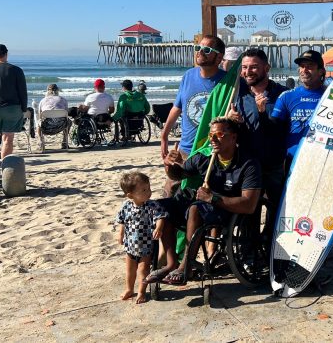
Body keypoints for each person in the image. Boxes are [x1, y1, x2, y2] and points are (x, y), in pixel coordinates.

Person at [156, 118, 262, 286]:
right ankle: (171, 263)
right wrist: (169, 165)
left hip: (226, 210)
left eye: (219, 134)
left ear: (233, 137)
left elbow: (249, 205)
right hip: (201, 204)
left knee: (195, 209)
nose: (213, 139)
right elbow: (179, 174)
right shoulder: (204, 158)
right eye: (211, 134)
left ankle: (186, 266)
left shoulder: (248, 164)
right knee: (161, 206)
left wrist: (212, 198)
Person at [227, 48, 287, 244]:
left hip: (273, 163)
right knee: (249, 212)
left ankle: (271, 247)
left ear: (267, 68)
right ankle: (249, 250)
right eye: (244, 67)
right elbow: (236, 131)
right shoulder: (238, 93)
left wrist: (262, 113)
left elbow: (280, 131)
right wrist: (231, 120)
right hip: (248, 164)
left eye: (254, 67)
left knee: (276, 209)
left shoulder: (281, 94)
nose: (248, 71)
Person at [159, 35, 226, 162]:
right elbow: (177, 108)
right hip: (186, 149)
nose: (200, 52)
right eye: (198, 48)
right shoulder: (188, 75)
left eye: (206, 50)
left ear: (219, 57)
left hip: (212, 152)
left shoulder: (227, 82)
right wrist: (164, 135)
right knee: (172, 182)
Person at [115, 171, 167, 304]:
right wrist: (120, 234)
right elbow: (122, 221)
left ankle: (142, 291)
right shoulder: (126, 206)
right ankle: (129, 289)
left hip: (146, 245)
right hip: (130, 244)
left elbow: (160, 216)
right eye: (144, 190)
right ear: (130, 195)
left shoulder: (152, 205)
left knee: (143, 270)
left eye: (149, 188)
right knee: (130, 270)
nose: (148, 192)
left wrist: (159, 228)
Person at [271, 50, 327, 169]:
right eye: (302, 66)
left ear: (321, 71)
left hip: (323, 159)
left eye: (310, 66)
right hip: (293, 159)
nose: (304, 70)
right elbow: (272, 128)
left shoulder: (332, 97)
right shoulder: (287, 96)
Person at [37, 83, 70, 149]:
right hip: (61, 126)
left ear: (48, 91)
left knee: (38, 123)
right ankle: (64, 142)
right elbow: (66, 113)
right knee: (68, 121)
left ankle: (41, 143)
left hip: (46, 127)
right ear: (57, 90)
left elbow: (40, 115)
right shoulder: (63, 100)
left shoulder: (42, 101)